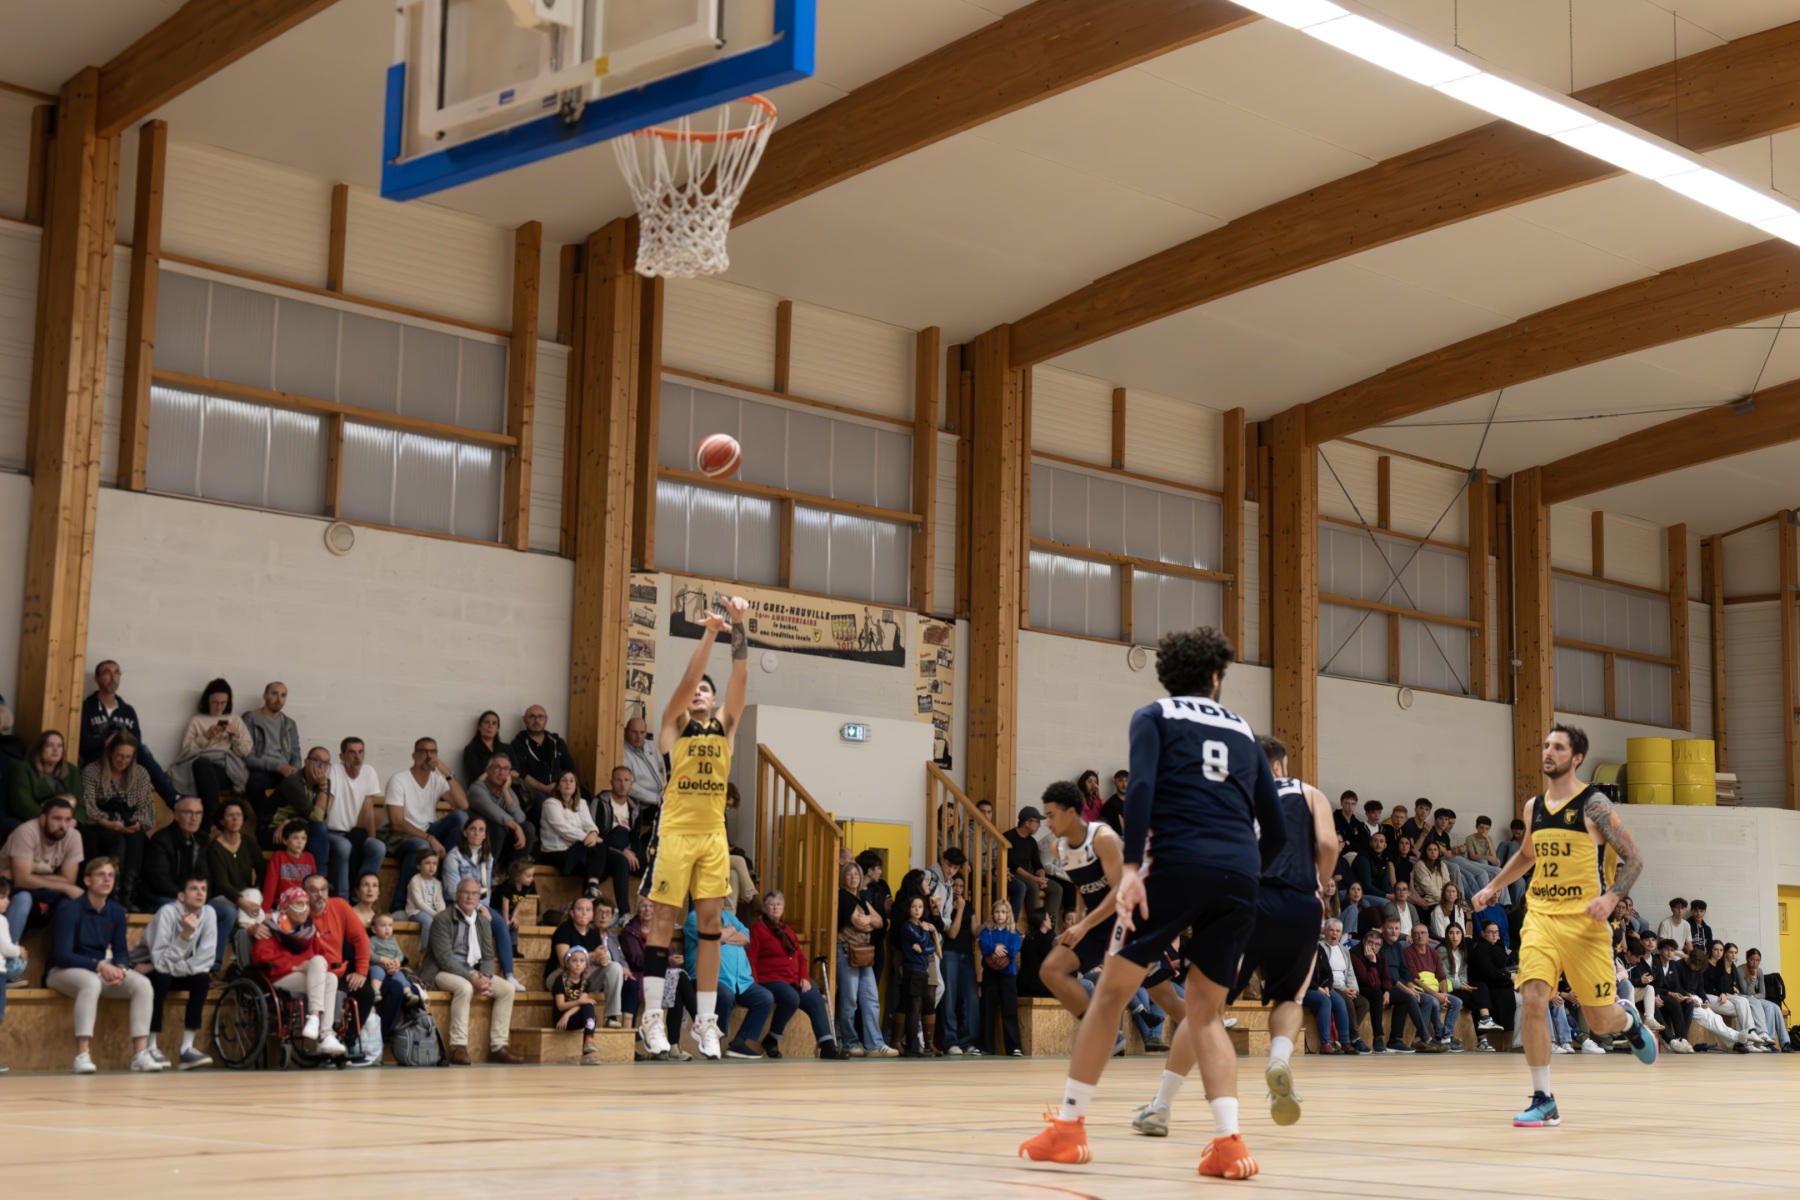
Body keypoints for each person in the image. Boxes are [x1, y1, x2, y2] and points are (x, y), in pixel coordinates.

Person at [1021, 626, 1284, 1180]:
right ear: (1216, 677)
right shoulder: (1243, 730)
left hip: (1174, 865)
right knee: (1205, 1014)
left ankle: (1069, 1129)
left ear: (1166, 676)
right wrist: (1246, 873)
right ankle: (1230, 1144)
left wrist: (1132, 869)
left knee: (1110, 995)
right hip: (1240, 874)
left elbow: (1140, 789)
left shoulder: (1155, 716)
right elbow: (1277, 826)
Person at [1147, 735, 1336, 1133]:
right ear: (1280, 765)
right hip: (1301, 904)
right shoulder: (1309, 793)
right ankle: (1278, 1060)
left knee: (1202, 1009)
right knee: (1289, 997)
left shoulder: (1230, 797)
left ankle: (1160, 1106)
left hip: (1244, 900)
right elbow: (1327, 844)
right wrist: (1319, 882)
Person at [1471, 724, 1657, 1128]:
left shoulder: (1595, 805)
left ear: (1576, 758)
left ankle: (1628, 1020)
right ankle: (1544, 1099)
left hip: (1586, 926)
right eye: (1546, 745)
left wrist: (1612, 898)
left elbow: (1635, 858)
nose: (1548, 751)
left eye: (1558, 747)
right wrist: (1493, 886)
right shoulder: (1533, 807)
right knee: (1533, 997)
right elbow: (1527, 855)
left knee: (1600, 1021)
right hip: (1541, 917)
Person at [637, 595, 750, 1063]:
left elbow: (740, 678)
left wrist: (738, 626)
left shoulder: (726, 728)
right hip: (675, 835)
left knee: (710, 926)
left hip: (713, 837)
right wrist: (710, 632)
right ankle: (652, 1016)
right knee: (663, 922)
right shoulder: (674, 725)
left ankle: (705, 1020)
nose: (700, 691)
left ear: (715, 701)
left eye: (707, 689)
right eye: (697, 690)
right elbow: (686, 681)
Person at [48, 856, 160, 1072]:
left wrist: (121, 970)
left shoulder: (116, 911)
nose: (107, 880)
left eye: (111, 875)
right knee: (90, 982)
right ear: (87, 880)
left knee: (143, 984)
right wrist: (100, 965)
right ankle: (82, 1055)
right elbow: (62, 955)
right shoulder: (70, 909)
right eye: (101, 875)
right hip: (62, 971)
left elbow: (120, 951)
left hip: (98, 970)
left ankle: (140, 1054)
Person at [1036, 780, 1122, 1021]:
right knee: (1051, 970)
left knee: (1160, 994)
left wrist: (1083, 925)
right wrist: (1080, 916)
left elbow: (1120, 893)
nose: (1047, 823)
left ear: (1071, 813)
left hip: (1130, 920)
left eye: (1051, 816)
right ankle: (1096, 1025)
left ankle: (1206, 1022)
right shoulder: (1058, 848)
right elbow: (1082, 885)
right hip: (1099, 922)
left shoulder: (1103, 837)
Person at [424, 877, 522, 1064]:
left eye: (474, 893)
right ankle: (459, 1046)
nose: (470, 897)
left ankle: (499, 1047)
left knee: (507, 989)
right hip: (443, 971)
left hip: (473, 971)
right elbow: (445, 959)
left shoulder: (483, 921)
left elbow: (487, 956)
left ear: (479, 897)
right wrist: (472, 977)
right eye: (466, 892)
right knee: (465, 988)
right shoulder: (442, 919)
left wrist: (485, 976)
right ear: (457, 895)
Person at [145, 796, 240, 970]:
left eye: (198, 813)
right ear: (176, 815)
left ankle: (213, 965)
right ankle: (177, 962)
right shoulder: (161, 840)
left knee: (227, 911)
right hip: (167, 897)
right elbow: (159, 879)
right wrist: (185, 898)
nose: (194, 818)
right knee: (172, 908)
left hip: (193, 898)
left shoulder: (201, 840)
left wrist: (200, 897)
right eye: (189, 813)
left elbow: (206, 877)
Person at [132, 874, 216, 1069]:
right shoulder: (167, 913)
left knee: (202, 979)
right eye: (194, 888)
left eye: (203, 889)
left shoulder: (209, 913)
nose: (200, 893)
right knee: (160, 978)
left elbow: (205, 960)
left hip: (166, 966)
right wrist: (185, 935)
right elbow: (159, 962)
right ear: (181, 896)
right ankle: (151, 1047)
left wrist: (166, 966)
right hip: (141, 967)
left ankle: (187, 1048)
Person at [252, 887, 347, 1057]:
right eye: (298, 904)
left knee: (330, 976)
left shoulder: (309, 930)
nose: (304, 908)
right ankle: (318, 1024)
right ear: (286, 907)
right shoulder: (269, 927)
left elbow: (323, 956)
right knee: (320, 968)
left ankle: (324, 1032)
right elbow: (260, 957)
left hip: (310, 977)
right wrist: (295, 966)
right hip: (281, 975)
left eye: (306, 904)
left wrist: (309, 966)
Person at [748, 890, 840, 1058]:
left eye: (779, 904)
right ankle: (772, 1038)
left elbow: (801, 957)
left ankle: (827, 1045)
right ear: (765, 908)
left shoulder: (787, 930)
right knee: (791, 997)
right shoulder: (757, 929)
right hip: (770, 979)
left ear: (783, 908)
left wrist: (804, 977)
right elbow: (751, 959)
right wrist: (755, 985)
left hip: (793, 980)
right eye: (771, 904)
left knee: (815, 998)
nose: (775, 907)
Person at [383, 737, 470, 912]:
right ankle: (399, 906)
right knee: (422, 847)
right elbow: (397, 822)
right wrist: (430, 838)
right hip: (401, 836)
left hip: (429, 831)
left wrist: (446, 772)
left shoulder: (437, 779)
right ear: (414, 755)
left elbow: (463, 805)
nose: (429, 756)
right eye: (423, 751)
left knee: (460, 818)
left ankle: (444, 885)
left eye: (433, 752)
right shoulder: (399, 779)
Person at [442, 816, 525, 993]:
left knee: (500, 924)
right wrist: (479, 908)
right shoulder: (453, 857)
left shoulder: (487, 856)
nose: (477, 833)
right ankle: (476, 973)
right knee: (479, 922)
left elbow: (486, 886)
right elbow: (452, 890)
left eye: (481, 830)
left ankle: (509, 975)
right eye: (473, 829)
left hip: (479, 903)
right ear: (465, 832)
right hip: (457, 903)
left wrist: (483, 906)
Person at [78, 660, 177, 803]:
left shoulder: (127, 711)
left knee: (142, 749)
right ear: (97, 678)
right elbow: (82, 743)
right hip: (97, 758)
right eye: (107, 673)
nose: (113, 677)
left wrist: (120, 741)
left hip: (123, 761)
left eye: (117, 672)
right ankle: (173, 797)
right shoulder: (86, 707)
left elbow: (136, 742)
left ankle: (174, 798)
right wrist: (108, 741)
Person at [683, 904, 772, 1059]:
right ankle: (714, 1041)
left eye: (722, 897)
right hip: (708, 978)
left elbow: (746, 937)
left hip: (740, 980)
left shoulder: (729, 916)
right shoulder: (694, 917)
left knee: (765, 998)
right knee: (725, 995)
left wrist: (723, 936)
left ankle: (739, 1043)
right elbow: (711, 938)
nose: (720, 900)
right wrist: (731, 930)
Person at [79, 731, 153, 910]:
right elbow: (88, 807)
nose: (123, 761)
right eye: (120, 756)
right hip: (101, 823)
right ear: (110, 752)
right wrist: (109, 823)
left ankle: (128, 894)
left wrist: (136, 823)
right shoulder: (92, 771)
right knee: (117, 840)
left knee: (137, 838)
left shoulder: (141, 774)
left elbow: (147, 810)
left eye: (128, 757)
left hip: (128, 821)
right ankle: (113, 892)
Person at [167, 679, 252, 828]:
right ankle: (213, 817)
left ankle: (208, 820)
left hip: (225, 766)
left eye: (223, 702)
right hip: (200, 764)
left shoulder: (235, 720)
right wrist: (206, 736)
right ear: (207, 700)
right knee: (201, 764)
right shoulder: (197, 721)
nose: (219, 706)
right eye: (215, 702)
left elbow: (245, 751)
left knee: (203, 768)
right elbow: (186, 751)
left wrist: (236, 735)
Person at [3, 796, 85, 946]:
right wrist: (66, 886)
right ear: (43, 819)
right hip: (7, 887)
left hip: (34, 887)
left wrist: (29, 876)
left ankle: (60, 956)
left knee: (69, 902)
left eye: (67, 820)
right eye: (57, 819)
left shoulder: (73, 836)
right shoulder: (26, 831)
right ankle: (7, 953)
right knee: (23, 899)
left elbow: (69, 879)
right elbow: (22, 881)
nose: (63, 825)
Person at [837, 860, 894, 1057]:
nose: (853, 877)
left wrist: (870, 919)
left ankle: (875, 1044)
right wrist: (870, 921)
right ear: (843, 877)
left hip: (864, 952)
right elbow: (859, 924)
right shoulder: (843, 896)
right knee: (850, 1000)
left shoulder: (861, 898)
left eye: (856, 874)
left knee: (871, 998)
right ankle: (850, 1042)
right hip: (847, 951)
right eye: (849, 874)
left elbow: (880, 922)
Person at [269, 749, 337, 898]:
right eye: (317, 760)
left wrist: (293, 820)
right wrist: (323, 790)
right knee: (318, 829)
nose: (321, 767)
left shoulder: (324, 783)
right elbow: (317, 817)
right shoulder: (293, 782)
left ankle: (317, 883)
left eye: (326, 763)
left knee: (331, 838)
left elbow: (322, 818)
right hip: (274, 830)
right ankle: (320, 880)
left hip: (297, 829)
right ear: (306, 762)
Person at [326, 737, 387, 900]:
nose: (357, 757)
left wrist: (372, 838)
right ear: (342, 756)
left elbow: (368, 810)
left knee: (378, 847)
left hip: (355, 833)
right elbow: (327, 804)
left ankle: (360, 897)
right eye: (352, 752)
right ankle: (343, 900)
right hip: (332, 833)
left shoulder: (369, 772)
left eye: (360, 752)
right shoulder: (333, 770)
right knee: (344, 846)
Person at [242, 682, 302, 841]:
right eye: (274, 693)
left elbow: (296, 752)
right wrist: (279, 767)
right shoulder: (251, 718)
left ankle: (294, 833)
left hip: (286, 771)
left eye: (283, 695)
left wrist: (294, 769)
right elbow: (247, 756)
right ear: (265, 695)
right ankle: (267, 826)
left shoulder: (289, 724)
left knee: (303, 788)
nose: (279, 699)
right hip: (263, 769)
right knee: (254, 783)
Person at [466, 752, 536, 870]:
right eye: (497, 767)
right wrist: (516, 827)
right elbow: (493, 811)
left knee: (528, 828)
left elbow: (520, 818)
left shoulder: (506, 790)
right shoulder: (477, 788)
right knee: (498, 828)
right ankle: (489, 871)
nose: (502, 772)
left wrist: (505, 791)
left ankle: (513, 872)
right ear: (487, 770)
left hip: (500, 843)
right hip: (479, 839)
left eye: (506, 769)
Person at [205, 797, 266, 932]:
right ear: (221, 820)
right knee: (260, 916)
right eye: (230, 815)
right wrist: (242, 902)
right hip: (223, 897)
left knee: (254, 895)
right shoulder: (214, 848)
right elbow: (222, 883)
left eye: (239, 815)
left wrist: (257, 890)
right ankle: (246, 930)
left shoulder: (249, 841)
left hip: (246, 894)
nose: (235, 819)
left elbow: (262, 868)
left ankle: (244, 929)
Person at [540, 768, 604, 896]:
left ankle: (591, 890)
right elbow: (563, 829)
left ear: (576, 786)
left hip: (575, 851)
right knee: (597, 850)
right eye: (564, 781)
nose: (568, 783)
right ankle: (591, 889)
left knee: (613, 861)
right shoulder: (550, 804)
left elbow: (589, 824)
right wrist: (589, 837)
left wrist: (593, 833)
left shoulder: (581, 803)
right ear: (558, 786)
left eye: (571, 781)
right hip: (556, 852)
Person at [593, 765, 645, 912]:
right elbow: (596, 834)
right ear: (611, 782)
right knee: (622, 859)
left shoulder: (635, 805)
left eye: (626, 780)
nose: (623, 785)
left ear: (631, 783)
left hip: (628, 848)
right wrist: (622, 850)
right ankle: (624, 913)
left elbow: (635, 836)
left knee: (655, 866)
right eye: (619, 780)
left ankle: (654, 913)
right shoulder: (600, 802)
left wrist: (634, 853)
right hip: (606, 849)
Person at [510, 705, 577, 817]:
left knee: (583, 797)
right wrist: (545, 789)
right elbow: (522, 774)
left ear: (546, 719)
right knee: (543, 802)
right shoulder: (517, 744)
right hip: (533, 790)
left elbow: (569, 768)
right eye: (532, 717)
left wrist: (559, 786)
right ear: (524, 719)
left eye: (540, 717)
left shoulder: (557, 742)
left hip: (559, 786)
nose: (536, 720)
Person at [1405, 923, 1463, 1050]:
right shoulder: (1408, 952)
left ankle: (1447, 1036)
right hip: (1420, 989)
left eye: (1423, 933)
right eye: (1416, 933)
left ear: (1427, 935)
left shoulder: (1433, 952)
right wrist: (1436, 995)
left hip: (1435, 990)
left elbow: (1441, 977)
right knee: (1434, 1001)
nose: (1420, 936)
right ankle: (1437, 1035)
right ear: (1412, 936)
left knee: (1457, 1002)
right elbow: (1415, 979)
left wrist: (1444, 995)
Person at [940, 872, 980, 1054]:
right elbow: (952, 933)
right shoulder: (946, 904)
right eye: (955, 885)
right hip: (949, 953)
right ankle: (950, 1042)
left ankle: (967, 1041)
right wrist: (960, 909)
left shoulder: (968, 905)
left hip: (967, 955)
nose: (958, 889)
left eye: (961, 886)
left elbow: (975, 931)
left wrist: (990, 924)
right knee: (949, 999)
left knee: (970, 998)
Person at [1442, 923, 1498, 1049]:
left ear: (1462, 935)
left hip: (1460, 987)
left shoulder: (1462, 951)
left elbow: (1463, 973)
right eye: (1451, 933)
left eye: (1458, 933)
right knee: (1477, 997)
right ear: (1446, 935)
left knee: (1480, 987)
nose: (1454, 936)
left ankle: (1485, 1023)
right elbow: (1444, 975)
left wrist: (1463, 983)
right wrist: (1461, 985)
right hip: (1448, 989)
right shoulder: (1442, 950)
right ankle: (1482, 1035)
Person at [980, 898, 1023, 1056]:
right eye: (997, 912)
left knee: (1009, 1010)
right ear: (992, 914)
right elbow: (983, 944)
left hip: (1008, 975)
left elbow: (1014, 947)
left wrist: (1001, 951)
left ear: (1008, 914)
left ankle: (1014, 1047)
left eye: (1003, 912)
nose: (1000, 915)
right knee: (987, 1009)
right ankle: (985, 1047)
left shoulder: (1013, 933)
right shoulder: (988, 931)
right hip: (990, 974)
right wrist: (993, 948)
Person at [9, 730, 82, 822]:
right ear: (40, 749)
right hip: (37, 819)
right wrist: (50, 819)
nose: (56, 749)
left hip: (68, 820)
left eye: (59, 746)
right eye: (50, 745)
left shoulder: (71, 769)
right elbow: (23, 804)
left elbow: (80, 804)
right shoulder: (23, 768)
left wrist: (73, 820)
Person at [1003, 806, 1060, 924]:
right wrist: (1034, 879)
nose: (1039, 825)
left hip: (1029, 876)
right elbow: (1013, 866)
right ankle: (1036, 927)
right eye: (1037, 822)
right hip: (1012, 874)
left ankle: (1049, 925)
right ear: (1027, 823)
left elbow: (1037, 865)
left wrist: (1041, 876)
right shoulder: (1008, 837)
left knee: (1056, 888)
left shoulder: (1032, 842)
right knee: (1033, 886)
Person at [549, 946, 604, 1065]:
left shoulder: (585, 982)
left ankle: (588, 1046)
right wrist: (566, 1014)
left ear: (586, 965)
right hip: (561, 1019)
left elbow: (582, 1003)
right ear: (567, 964)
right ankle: (587, 1051)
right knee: (587, 1004)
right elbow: (561, 1006)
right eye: (574, 961)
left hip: (570, 1016)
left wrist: (568, 1014)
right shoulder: (560, 981)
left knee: (589, 1010)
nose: (578, 964)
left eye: (582, 961)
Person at [621, 716, 666, 844]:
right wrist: (656, 799)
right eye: (634, 732)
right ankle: (644, 844)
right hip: (642, 806)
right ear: (626, 731)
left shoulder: (650, 746)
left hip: (659, 799)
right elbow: (629, 786)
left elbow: (663, 768)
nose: (639, 736)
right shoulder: (622, 752)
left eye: (642, 732)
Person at [1739, 948, 1792, 1053]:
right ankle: (1768, 1042)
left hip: (1755, 998)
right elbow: (1746, 992)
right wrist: (1753, 979)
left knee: (1776, 1007)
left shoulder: (1759, 971)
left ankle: (1785, 1042)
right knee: (1769, 1007)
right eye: (1752, 960)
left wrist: (1754, 996)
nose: (1755, 963)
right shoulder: (1740, 970)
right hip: (1744, 998)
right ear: (1747, 959)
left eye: (1757, 960)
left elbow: (1763, 994)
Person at [1649, 938, 1696, 1052]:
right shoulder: (1654, 962)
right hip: (1656, 994)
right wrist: (1670, 994)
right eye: (1666, 950)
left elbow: (1676, 986)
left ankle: (1683, 1038)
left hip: (1668, 994)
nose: (1670, 952)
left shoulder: (1673, 964)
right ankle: (1675, 1039)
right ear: (1660, 950)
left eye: (1672, 950)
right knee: (1674, 1002)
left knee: (1688, 1003)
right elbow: (1653, 986)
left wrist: (1686, 994)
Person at [263, 819, 318, 910]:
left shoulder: (309, 857)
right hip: (283, 903)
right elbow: (270, 886)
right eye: (295, 838)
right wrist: (266, 910)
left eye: (303, 838)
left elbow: (314, 885)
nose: (300, 842)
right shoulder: (278, 857)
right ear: (285, 840)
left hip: (304, 904)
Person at [405, 850, 447, 940]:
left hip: (433, 912)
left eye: (434, 863)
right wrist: (435, 914)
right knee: (428, 921)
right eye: (427, 863)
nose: (431, 866)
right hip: (417, 911)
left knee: (446, 920)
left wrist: (442, 913)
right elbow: (419, 903)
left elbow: (440, 900)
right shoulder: (415, 880)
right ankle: (425, 947)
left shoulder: (437, 883)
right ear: (419, 866)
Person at [462, 711, 508, 784]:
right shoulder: (471, 750)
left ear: (497, 729)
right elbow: (476, 776)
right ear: (479, 727)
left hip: (507, 786)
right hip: (482, 787)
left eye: (494, 723)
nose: (490, 726)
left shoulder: (507, 749)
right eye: (487, 722)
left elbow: (516, 771)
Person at [1410, 840, 1452, 907]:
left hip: (1442, 899)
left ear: (1438, 852)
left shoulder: (1442, 865)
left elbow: (1447, 883)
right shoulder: (1420, 865)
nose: (1433, 852)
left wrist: (1448, 896)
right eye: (1430, 850)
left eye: (1435, 850)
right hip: (1428, 900)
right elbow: (1429, 888)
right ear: (1425, 852)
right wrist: (1445, 898)